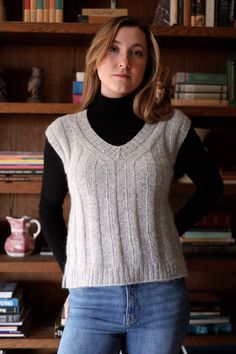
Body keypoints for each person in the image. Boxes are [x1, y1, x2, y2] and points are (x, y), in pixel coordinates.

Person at [39, 16, 223, 354]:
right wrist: (74, 276)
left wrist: (168, 229)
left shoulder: (171, 127)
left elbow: (212, 187)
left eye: (137, 53)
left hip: (160, 299)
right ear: (95, 59)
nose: (124, 61)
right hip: (90, 300)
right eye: (114, 49)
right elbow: (48, 210)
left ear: (147, 65)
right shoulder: (64, 133)